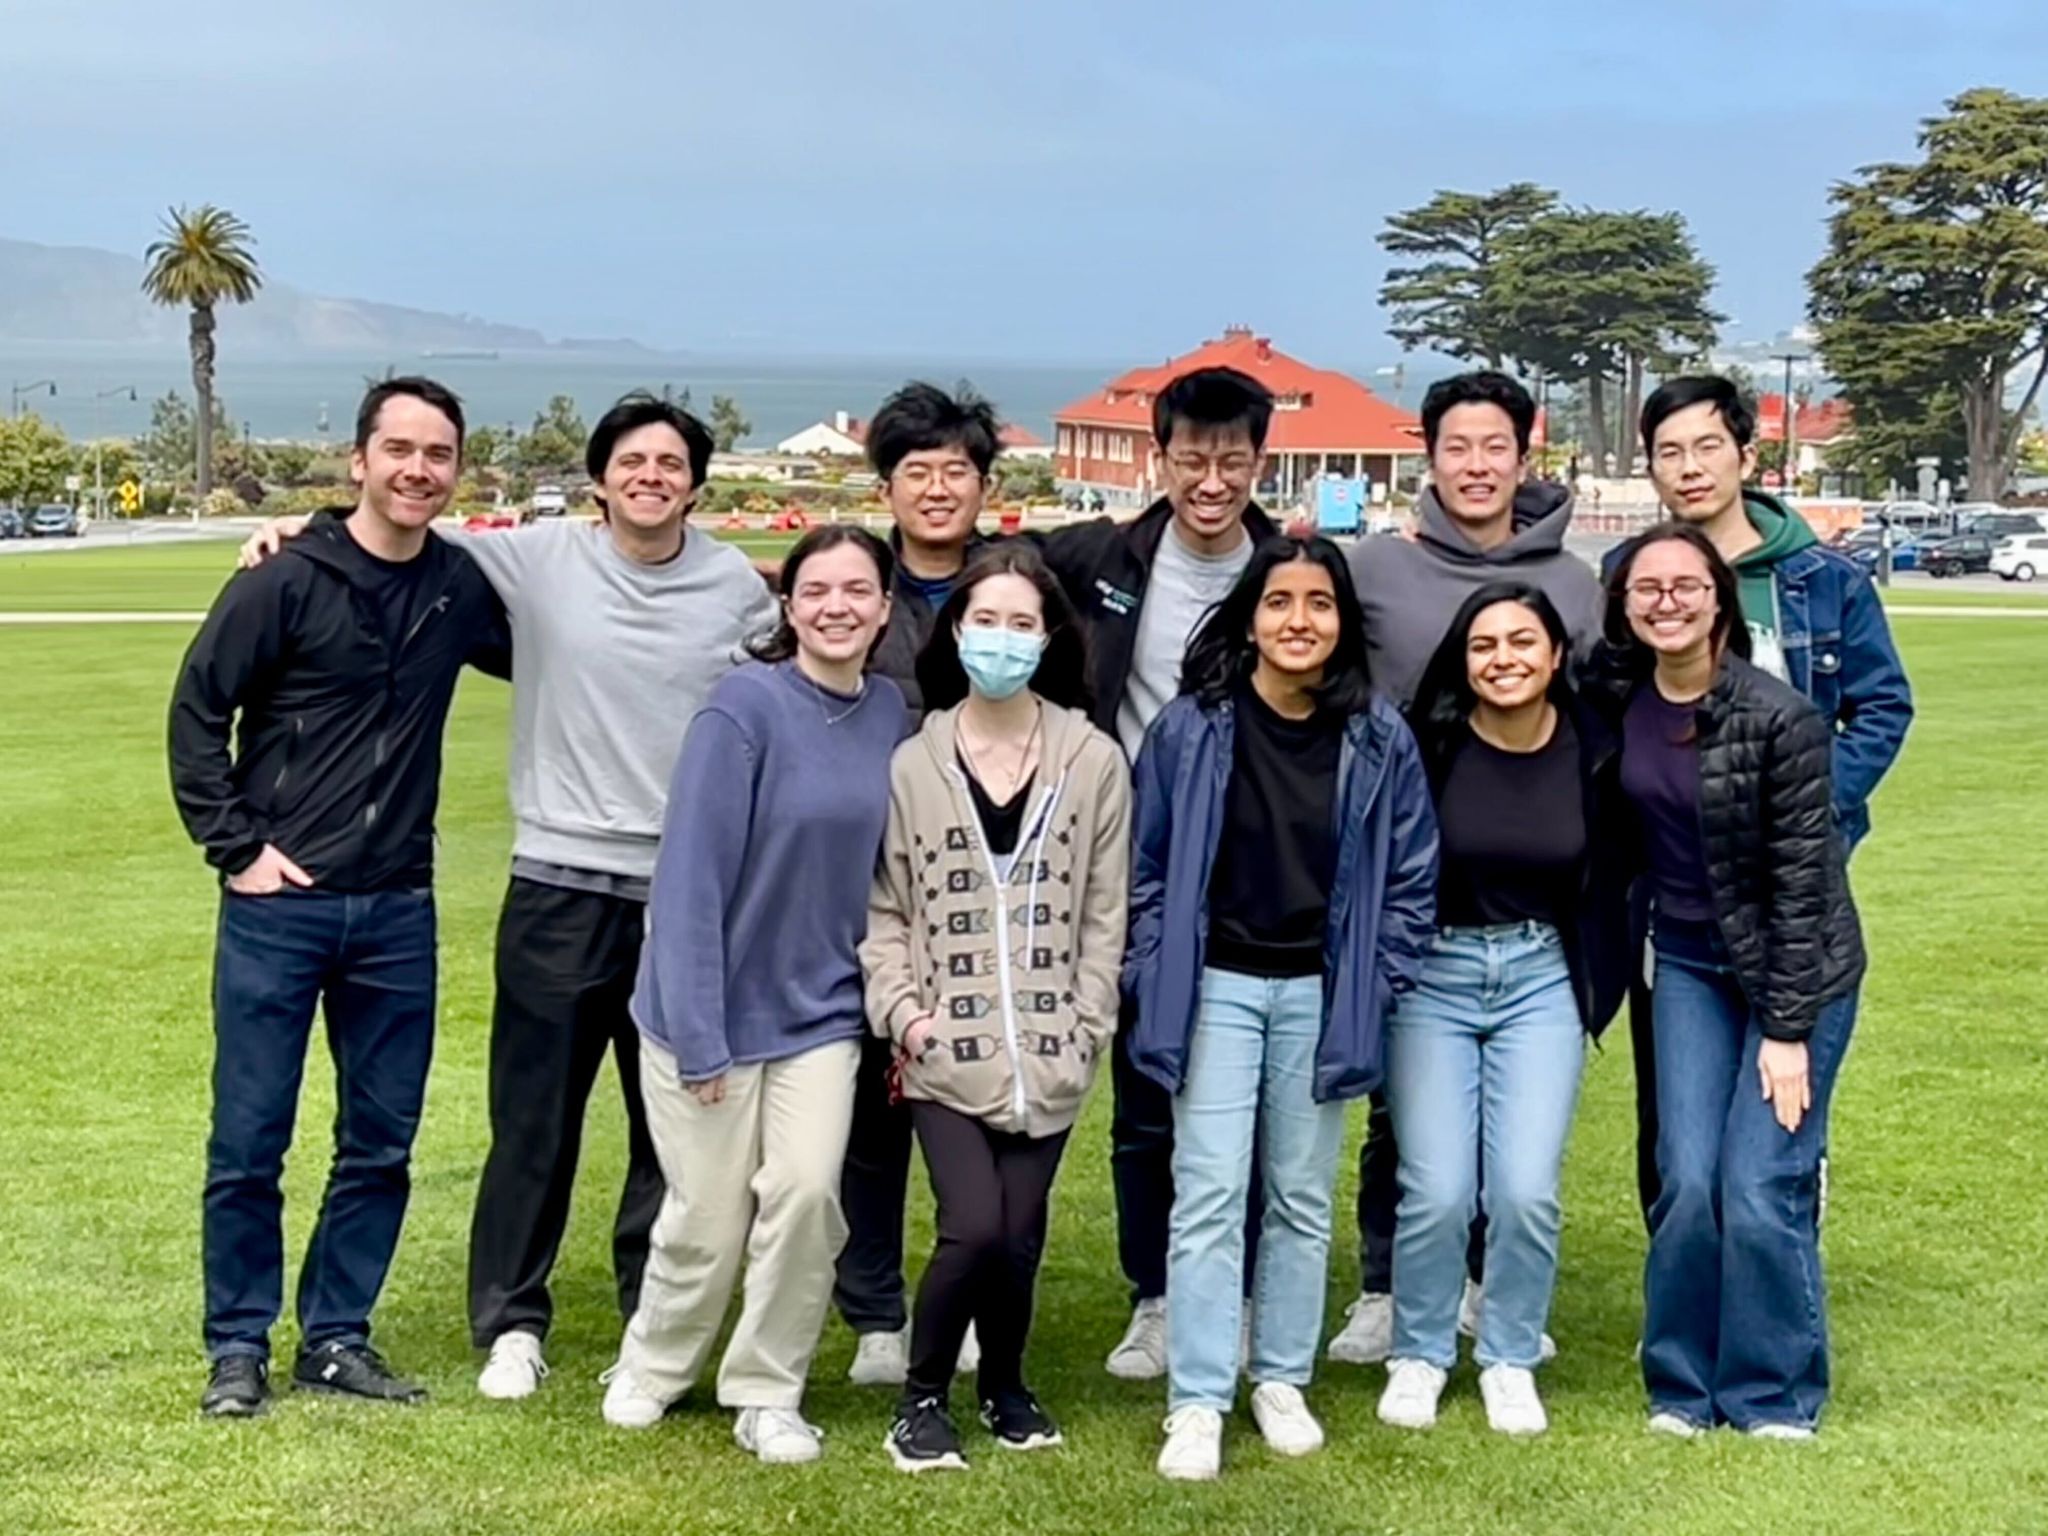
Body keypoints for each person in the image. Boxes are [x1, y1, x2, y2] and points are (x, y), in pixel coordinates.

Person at [239, 394, 780, 1400]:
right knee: (533, 1124)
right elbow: (395, 528)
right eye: (632, 460)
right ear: (599, 477)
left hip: (687, 899)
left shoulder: (736, 590)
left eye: (670, 463)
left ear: (696, 484)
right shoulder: (534, 561)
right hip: (558, 889)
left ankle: (651, 1324)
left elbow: (817, 638)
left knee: (672, 1131)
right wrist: (295, 527)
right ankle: (512, 1325)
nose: (650, 476)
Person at [170, 378, 510, 1416]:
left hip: (397, 909)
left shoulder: (459, 590)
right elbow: (197, 713)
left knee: (380, 1141)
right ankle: (238, 1344)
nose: (417, 469)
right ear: (358, 459)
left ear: (457, 469)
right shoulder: (285, 579)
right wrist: (238, 849)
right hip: (281, 909)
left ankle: (334, 1336)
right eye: (398, 448)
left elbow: (588, 632)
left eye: (438, 453)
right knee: (249, 1138)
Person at [1124, 537, 1438, 1481]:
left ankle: (1281, 1380)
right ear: (1249, 617)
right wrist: (1153, 964)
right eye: (1279, 602)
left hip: (1322, 993)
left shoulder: (1379, 735)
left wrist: (1375, 980)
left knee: (1301, 1198)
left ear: (1344, 622)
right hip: (1214, 986)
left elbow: (1413, 881)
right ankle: (1198, 1398)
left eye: (1319, 604)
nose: (1298, 621)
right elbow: (1146, 867)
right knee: (1211, 1192)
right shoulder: (1191, 727)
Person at [599, 526, 904, 1466]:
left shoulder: (892, 713)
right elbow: (688, 880)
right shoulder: (743, 708)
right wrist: (699, 1035)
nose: (837, 607)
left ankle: (769, 1390)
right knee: (707, 1215)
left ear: (885, 609)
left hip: (821, 1015)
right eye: (817, 590)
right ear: (789, 606)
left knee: (807, 1198)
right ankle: (653, 1364)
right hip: (712, 1015)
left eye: (858, 590)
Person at [1330, 369, 1604, 1369]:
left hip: (1525, 892)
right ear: (1429, 458)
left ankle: (1488, 1291)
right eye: (1457, 448)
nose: (1476, 466)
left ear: (1522, 456)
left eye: (1495, 447)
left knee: (1499, 1137)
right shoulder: (1375, 570)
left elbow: (1587, 735)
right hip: (1398, 882)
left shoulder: (1573, 584)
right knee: (1396, 1111)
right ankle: (1382, 1286)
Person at [1035, 365, 1282, 1380]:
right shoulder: (1097, 558)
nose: (1211, 479)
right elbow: (975, 590)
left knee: (1257, 1103)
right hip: (1131, 877)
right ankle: (1156, 1295)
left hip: (1261, 871)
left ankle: (1242, 1297)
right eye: (1192, 459)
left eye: (1231, 461)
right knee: (1145, 1100)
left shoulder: (1293, 570)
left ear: (1258, 462)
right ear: (1160, 458)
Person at [861, 543, 1130, 1472]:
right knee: (972, 1223)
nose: (1003, 639)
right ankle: (922, 1396)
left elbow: (1106, 907)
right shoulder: (914, 762)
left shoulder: (1092, 759)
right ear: (957, 632)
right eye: (986, 620)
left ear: (1050, 636)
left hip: (1053, 1047)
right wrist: (905, 1013)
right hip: (947, 1047)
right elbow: (888, 907)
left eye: (1023, 623)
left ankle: (1006, 1386)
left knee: (1018, 1238)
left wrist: (1089, 1021)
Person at [1599, 523, 1864, 1438]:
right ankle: (1680, 1385)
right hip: (1686, 965)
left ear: (1718, 598)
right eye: (1647, 588)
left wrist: (1787, 1030)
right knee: (1685, 1176)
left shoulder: (1779, 716)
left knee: (1760, 1180)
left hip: (1795, 975)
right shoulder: (1618, 696)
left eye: (1686, 585)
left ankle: (1770, 1391)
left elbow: (1805, 882)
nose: (1666, 601)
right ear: (1624, 607)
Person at [1627, 376, 1910, 1222]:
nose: (1690, 468)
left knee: (1775, 1136)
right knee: (1678, 1136)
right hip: (1676, 900)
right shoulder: (1638, 577)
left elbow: (1883, 704)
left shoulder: (1821, 580)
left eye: (1707, 446)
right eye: (1669, 453)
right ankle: (1685, 1298)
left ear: (1746, 456)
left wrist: (1815, 811)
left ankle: (1772, 1285)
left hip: (1788, 886)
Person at [1374, 584, 1633, 1438]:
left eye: (1524, 641)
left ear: (1556, 655)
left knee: (1524, 1189)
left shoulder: (1596, 745)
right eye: (1484, 645)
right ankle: (1418, 1350)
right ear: (1463, 659)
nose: (1504, 660)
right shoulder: (1426, 742)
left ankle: (1510, 1353)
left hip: (1540, 977)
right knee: (1438, 1187)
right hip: (1434, 976)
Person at [837, 381, 1001, 1388]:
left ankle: (970, 1302)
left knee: (975, 1107)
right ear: (886, 485)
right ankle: (874, 1314)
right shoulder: (855, 587)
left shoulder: (1018, 587)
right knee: (871, 1112)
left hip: (985, 894)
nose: (936, 490)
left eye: (955, 471)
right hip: (866, 894)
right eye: (915, 473)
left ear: (983, 482)